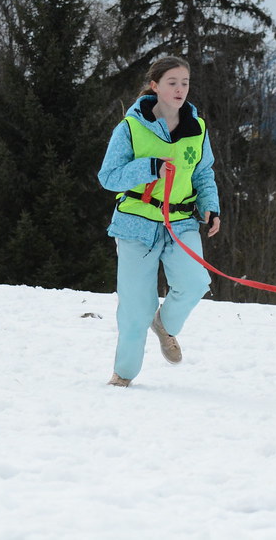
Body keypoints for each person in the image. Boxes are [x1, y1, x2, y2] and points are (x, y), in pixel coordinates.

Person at [97, 56, 221, 387]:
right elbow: (108, 176)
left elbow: (203, 172)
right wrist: (148, 167)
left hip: (180, 223)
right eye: (172, 82)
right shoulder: (131, 127)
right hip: (136, 225)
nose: (180, 89)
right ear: (155, 86)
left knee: (195, 282)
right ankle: (123, 375)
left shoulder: (198, 128)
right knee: (135, 309)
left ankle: (164, 325)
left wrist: (211, 207)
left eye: (185, 83)